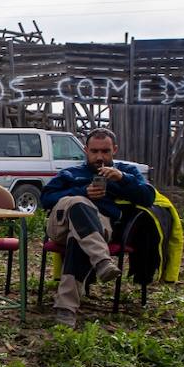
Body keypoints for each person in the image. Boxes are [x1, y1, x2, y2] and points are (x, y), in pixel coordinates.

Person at [40, 127, 155, 328]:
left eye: (105, 151)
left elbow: (147, 198)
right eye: (94, 151)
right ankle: (102, 261)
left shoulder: (126, 173)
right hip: (60, 225)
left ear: (115, 150)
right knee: (77, 201)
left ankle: (66, 309)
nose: (99, 157)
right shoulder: (71, 173)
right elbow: (45, 198)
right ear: (86, 150)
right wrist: (82, 191)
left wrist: (122, 179)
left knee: (78, 239)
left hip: (99, 228)